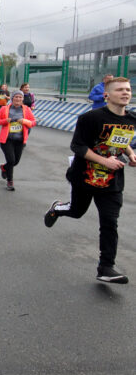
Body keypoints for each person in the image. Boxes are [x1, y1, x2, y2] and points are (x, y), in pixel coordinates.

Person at [44, 77, 136, 284]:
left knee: (110, 223)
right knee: (76, 212)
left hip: (112, 181)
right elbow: (78, 146)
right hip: (84, 176)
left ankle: (106, 267)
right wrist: (105, 161)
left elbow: (123, 139)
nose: (125, 93)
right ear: (107, 95)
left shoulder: (131, 119)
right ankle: (57, 209)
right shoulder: (90, 118)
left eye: (128, 90)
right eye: (120, 89)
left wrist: (130, 155)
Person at [0, 90, 37, 190]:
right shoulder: (5, 109)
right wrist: (6, 121)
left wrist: (25, 121)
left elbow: (33, 122)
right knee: (11, 160)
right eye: (16, 97)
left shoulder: (26, 110)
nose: (18, 99)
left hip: (20, 140)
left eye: (20, 97)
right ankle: (10, 181)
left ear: (23, 99)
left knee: (15, 162)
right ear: (12, 98)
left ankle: (4, 167)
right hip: (7, 140)